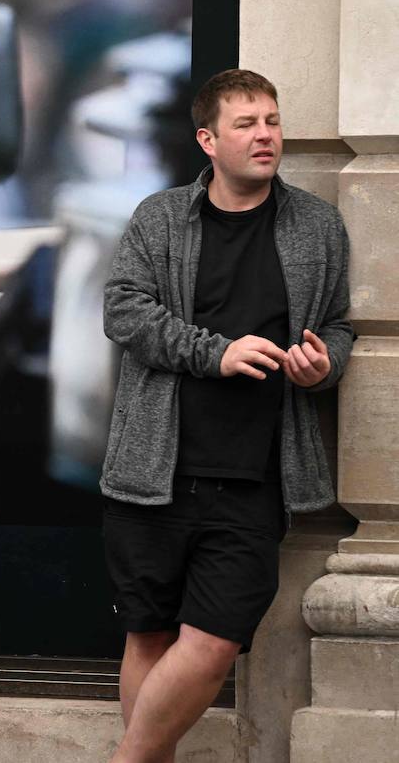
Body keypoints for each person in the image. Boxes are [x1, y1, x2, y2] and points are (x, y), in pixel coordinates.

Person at [101, 69, 352, 763]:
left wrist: (321, 362)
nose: (266, 134)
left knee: (211, 645)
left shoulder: (317, 225)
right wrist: (217, 352)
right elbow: (124, 312)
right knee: (149, 634)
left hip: (254, 475)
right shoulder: (159, 218)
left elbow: (337, 327)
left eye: (271, 120)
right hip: (155, 469)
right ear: (208, 139)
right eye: (246, 123)